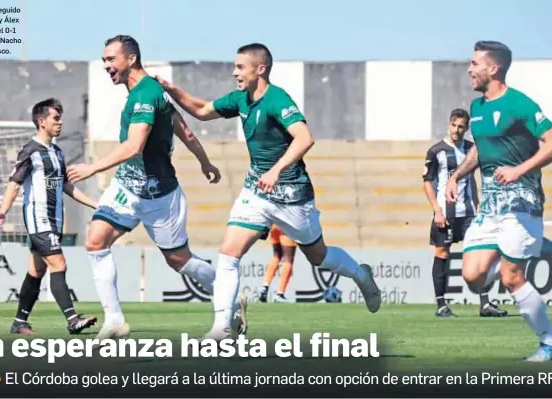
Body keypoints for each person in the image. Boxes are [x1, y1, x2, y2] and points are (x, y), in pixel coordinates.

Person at [154, 43, 382, 340]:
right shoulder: (239, 99)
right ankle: (222, 327)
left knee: (318, 256)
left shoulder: (277, 99)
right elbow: (201, 109)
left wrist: (276, 170)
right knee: (228, 254)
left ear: (259, 69)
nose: (235, 72)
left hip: (292, 195)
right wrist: (171, 89)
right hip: (256, 192)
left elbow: (304, 138)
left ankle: (361, 274)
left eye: (240, 67)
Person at [65, 35, 247, 341]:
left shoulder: (145, 96)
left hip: (160, 196)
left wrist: (93, 167)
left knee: (179, 260)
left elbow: (135, 146)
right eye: (104, 60)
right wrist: (205, 162)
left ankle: (228, 291)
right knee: (96, 241)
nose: (106, 66)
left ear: (131, 58)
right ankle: (114, 321)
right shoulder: (150, 91)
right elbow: (186, 131)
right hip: (126, 187)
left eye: (111, 59)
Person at [446, 40, 552, 362]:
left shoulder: (519, 104)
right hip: (490, 210)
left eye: (474, 64)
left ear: (493, 68)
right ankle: (518, 251)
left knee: (511, 277)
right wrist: (456, 176)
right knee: (472, 277)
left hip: (522, 203)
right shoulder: (477, 108)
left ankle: (551, 342)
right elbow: (479, 149)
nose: (469, 69)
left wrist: (519, 170)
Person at [0, 98, 98, 336]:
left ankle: (19, 322)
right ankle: (72, 319)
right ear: (42, 122)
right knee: (59, 264)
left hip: (55, 219)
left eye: (60, 117)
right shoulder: (30, 151)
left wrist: (96, 205)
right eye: (55, 118)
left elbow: (66, 186)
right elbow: (14, 184)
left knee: (36, 271)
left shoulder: (57, 152)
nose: (60, 122)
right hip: (39, 219)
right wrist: (3, 211)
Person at [423, 108, 507, 318]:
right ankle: (441, 305)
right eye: (454, 125)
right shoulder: (436, 151)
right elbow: (427, 183)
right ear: (449, 124)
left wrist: (478, 205)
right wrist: (437, 211)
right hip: (446, 213)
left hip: (469, 212)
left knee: (481, 255)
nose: (457, 130)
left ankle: (485, 304)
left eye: (461, 127)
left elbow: (473, 181)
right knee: (442, 253)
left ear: (466, 128)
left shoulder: (472, 150)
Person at [259, 225, 296, 303]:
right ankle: (280, 294)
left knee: (276, 255)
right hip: (286, 225)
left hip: (274, 225)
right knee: (288, 259)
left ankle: (265, 286)